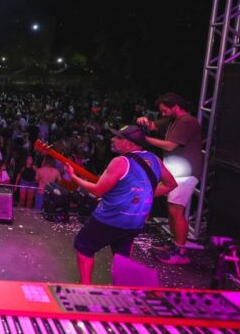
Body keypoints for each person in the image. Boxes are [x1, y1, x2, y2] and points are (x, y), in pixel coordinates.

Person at [68, 125, 178, 284]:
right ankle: (121, 290)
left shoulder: (120, 162)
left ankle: (85, 287)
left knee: (84, 247)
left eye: (119, 137)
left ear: (130, 144)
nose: (113, 139)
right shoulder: (154, 159)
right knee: (122, 258)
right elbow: (170, 184)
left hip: (109, 219)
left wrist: (74, 177)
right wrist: (141, 194)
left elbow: (98, 190)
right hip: (135, 222)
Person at [136, 92, 203, 265]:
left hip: (186, 173)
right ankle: (174, 244)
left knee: (176, 211)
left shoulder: (187, 121)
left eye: (165, 110)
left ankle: (181, 253)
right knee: (172, 210)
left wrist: (145, 139)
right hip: (177, 172)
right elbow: (153, 126)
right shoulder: (173, 120)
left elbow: (170, 145)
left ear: (175, 106)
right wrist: (143, 121)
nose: (163, 113)